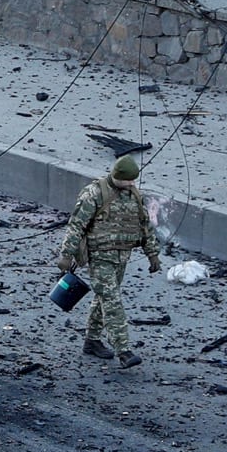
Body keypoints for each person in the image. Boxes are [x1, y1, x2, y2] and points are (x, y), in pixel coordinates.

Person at [59, 155, 162, 367]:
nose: (131, 183)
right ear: (117, 176)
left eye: (133, 180)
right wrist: (66, 255)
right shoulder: (94, 193)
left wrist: (152, 254)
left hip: (121, 256)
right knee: (112, 301)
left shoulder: (133, 194)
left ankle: (92, 340)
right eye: (128, 180)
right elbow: (76, 225)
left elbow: (144, 225)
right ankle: (123, 350)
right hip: (99, 258)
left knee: (103, 298)